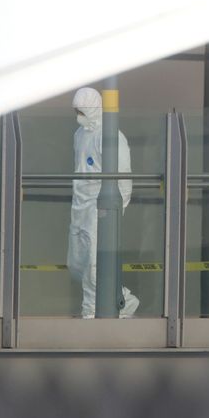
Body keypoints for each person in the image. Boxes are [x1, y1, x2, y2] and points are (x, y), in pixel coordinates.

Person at [66, 87, 139, 319]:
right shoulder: (79, 134)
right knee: (77, 263)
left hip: (102, 208)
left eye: (81, 109)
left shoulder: (111, 136)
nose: (78, 114)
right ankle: (122, 299)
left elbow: (123, 177)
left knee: (94, 266)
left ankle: (93, 312)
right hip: (80, 206)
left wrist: (117, 211)